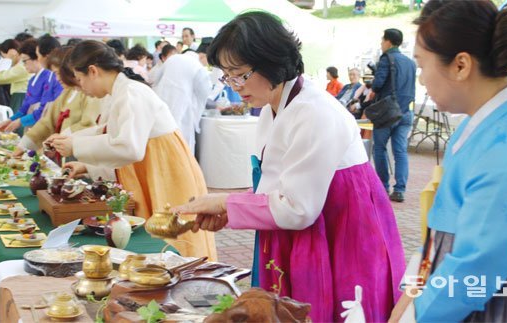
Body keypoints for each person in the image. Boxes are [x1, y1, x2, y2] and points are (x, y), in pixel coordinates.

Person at [173, 11, 405, 322]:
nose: (233, 85)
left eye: (239, 74)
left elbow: (297, 208)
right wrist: (229, 211)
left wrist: (224, 201)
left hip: (341, 230)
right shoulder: (273, 107)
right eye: (226, 75)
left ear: (270, 61)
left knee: (328, 307)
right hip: (310, 226)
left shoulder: (314, 111)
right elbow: (277, 186)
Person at [402, 1, 507, 321]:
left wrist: (415, 312)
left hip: (491, 303)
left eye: (421, 65)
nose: (421, 80)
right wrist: (412, 293)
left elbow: (477, 267)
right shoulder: (481, 126)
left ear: (461, 65)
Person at [45, 40, 217, 261]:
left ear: (93, 71)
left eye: (80, 81)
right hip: (153, 172)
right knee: (156, 248)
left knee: (173, 245)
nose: (83, 89)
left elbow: (129, 147)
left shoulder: (131, 92)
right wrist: (77, 150)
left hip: (166, 174)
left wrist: (74, 145)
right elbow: (110, 133)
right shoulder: (122, 91)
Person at [13, 47, 100, 158]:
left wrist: (60, 136)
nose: (57, 78)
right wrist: (23, 145)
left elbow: (89, 124)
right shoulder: (67, 93)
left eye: (58, 73)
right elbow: (47, 123)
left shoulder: (90, 94)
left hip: (81, 155)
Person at [371, 28, 416, 202]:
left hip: (388, 112)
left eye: (383, 40)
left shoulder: (386, 58)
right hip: (406, 112)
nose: (381, 43)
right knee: (400, 151)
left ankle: (383, 186)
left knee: (380, 148)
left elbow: (377, 85)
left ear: (388, 41)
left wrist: (373, 82)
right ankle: (400, 189)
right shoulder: (410, 62)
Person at [152, 50, 211, 154]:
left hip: (161, 104)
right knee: (182, 144)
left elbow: (155, 79)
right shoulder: (197, 66)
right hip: (183, 108)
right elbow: (205, 92)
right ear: (203, 56)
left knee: (162, 141)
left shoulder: (172, 59)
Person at [0, 38, 55, 133]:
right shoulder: (32, 80)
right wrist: (10, 120)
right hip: (32, 123)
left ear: (37, 58)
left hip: (42, 125)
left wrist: (20, 121)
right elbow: (25, 107)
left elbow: (44, 109)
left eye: (24, 61)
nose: (23, 65)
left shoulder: (48, 78)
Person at [0, 39, 29, 112]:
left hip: (20, 98)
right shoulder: (21, 65)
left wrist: (7, 59)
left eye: (3, 57)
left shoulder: (22, 66)